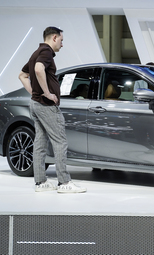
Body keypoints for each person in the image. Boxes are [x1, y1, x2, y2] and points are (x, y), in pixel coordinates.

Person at [18, 26, 86, 193]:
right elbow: (38, 70)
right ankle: (64, 182)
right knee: (60, 141)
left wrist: (35, 93)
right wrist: (47, 93)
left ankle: (41, 182)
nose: (62, 44)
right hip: (46, 106)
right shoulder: (46, 52)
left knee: (40, 142)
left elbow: (22, 75)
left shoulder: (36, 52)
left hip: (35, 104)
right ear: (54, 37)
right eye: (61, 40)